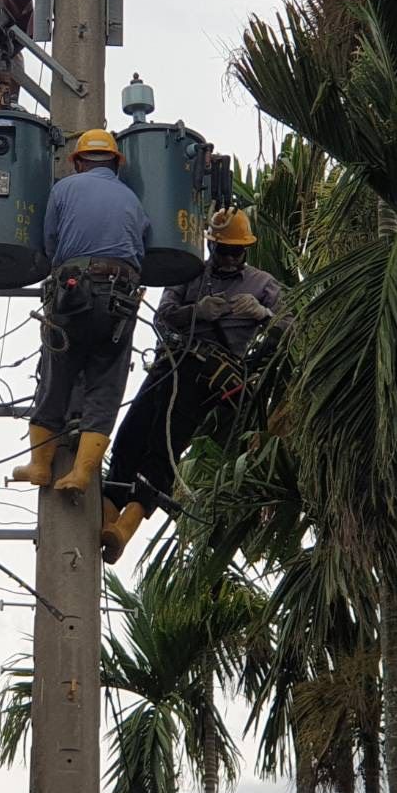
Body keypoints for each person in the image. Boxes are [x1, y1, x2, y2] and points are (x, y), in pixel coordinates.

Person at [99, 208, 284, 563]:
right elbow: (162, 317)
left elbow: (293, 328)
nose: (230, 259)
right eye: (224, 251)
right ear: (212, 246)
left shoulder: (261, 284)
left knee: (163, 446)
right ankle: (106, 517)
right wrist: (197, 311)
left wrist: (264, 315)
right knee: (130, 436)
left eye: (237, 252)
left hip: (205, 376)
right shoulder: (189, 273)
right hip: (170, 364)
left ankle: (125, 528)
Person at [11, 128, 150, 494]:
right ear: (115, 164)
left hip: (74, 292)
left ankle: (41, 465)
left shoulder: (63, 190)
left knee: (57, 375)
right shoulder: (132, 200)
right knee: (105, 385)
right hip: (121, 299)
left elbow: (50, 243)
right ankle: (82, 474)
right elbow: (142, 247)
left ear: (78, 163)